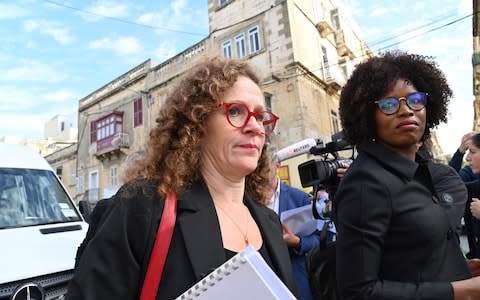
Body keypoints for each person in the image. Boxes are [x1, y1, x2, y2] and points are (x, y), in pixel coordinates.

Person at [67, 57, 298, 299]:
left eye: (261, 116)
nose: (256, 127)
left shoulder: (270, 222)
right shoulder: (142, 206)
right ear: (198, 122)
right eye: (236, 111)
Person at [335, 50, 480, 300]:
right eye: (389, 105)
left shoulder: (422, 172)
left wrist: (458, 268)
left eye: (414, 100)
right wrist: (459, 291)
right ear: (369, 116)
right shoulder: (365, 183)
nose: (406, 110)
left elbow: (409, 258)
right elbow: (358, 291)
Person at [266, 159, 319, 300]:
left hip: (296, 282)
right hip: (264, 282)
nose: (260, 170)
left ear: (277, 164)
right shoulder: (248, 199)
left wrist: (297, 242)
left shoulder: (298, 198)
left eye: (264, 164)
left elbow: (318, 239)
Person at [464, 133, 480, 258]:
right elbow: (446, 187)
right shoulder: (475, 187)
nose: (467, 158)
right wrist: (459, 152)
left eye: (472, 152)